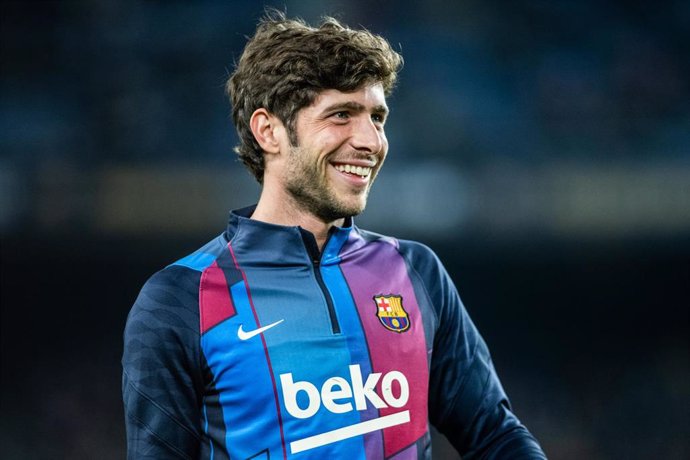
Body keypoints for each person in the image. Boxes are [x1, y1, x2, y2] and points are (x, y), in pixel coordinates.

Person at [122, 11, 547, 460]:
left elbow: (496, 437)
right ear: (269, 130)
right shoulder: (180, 299)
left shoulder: (415, 271)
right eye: (342, 115)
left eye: (377, 117)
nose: (371, 140)